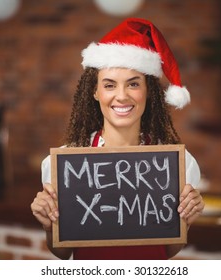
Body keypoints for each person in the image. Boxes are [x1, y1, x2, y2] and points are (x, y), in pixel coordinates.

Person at [31, 18, 204, 260]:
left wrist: (184, 223)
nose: (121, 97)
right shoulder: (65, 164)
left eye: (133, 84)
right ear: (95, 91)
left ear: (148, 91)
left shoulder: (179, 165)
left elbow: (167, 250)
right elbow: (62, 251)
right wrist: (49, 227)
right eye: (109, 85)